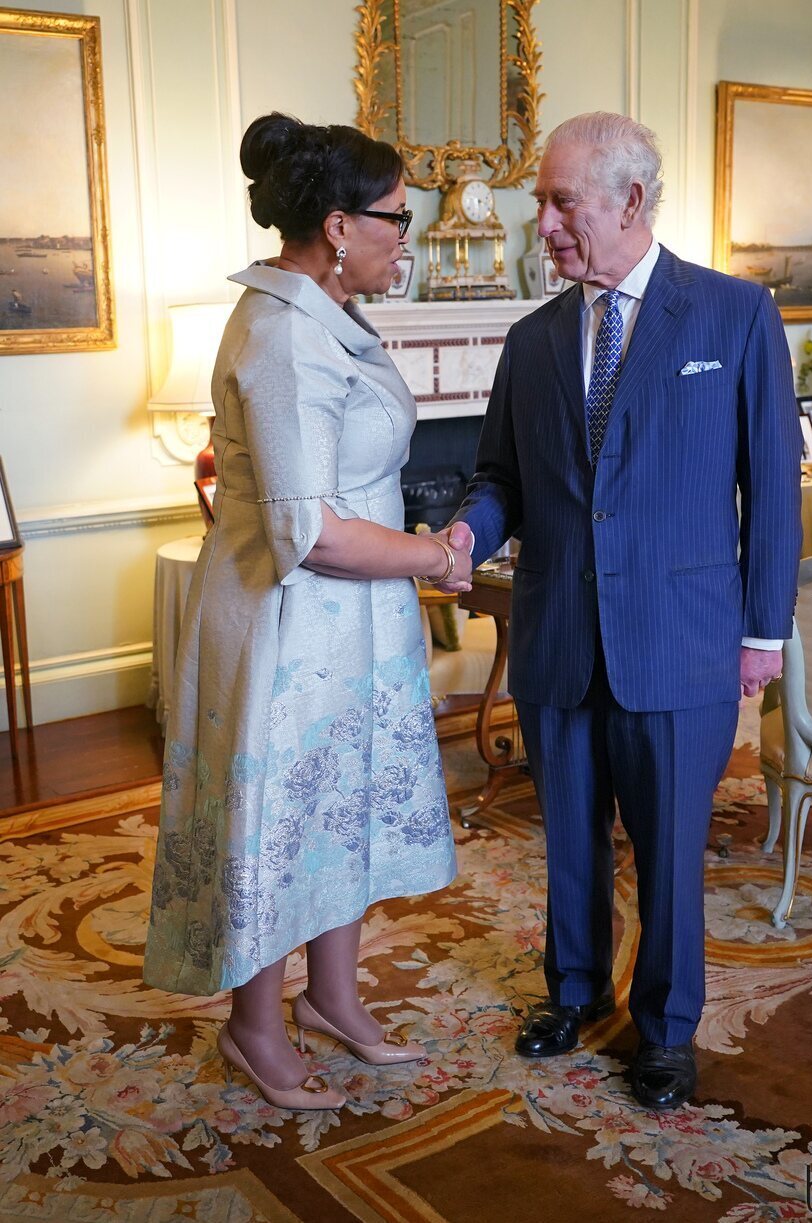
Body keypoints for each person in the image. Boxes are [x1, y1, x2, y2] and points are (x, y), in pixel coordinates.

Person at [441, 112, 801, 1110]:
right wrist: (468, 530)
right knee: (568, 837)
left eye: (561, 201)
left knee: (669, 848)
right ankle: (571, 989)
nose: (541, 223)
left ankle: (664, 1027)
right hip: (558, 634)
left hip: (680, 641)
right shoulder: (532, 336)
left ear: (629, 202)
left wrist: (762, 630)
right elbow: (497, 475)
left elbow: (768, 488)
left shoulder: (732, 316)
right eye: (540, 201)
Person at [144, 113, 471, 1111]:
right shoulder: (284, 336)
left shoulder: (329, 313)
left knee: (349, 804)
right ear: (337, 225)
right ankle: (255, 1024)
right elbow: (307, 530)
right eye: (396, 220)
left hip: (352, 623)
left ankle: (332, 995)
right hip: (292, 624)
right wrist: (435, 556)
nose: (406, 238)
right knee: (280, 820)